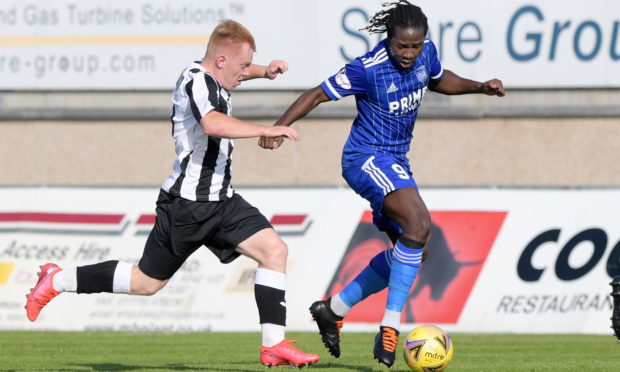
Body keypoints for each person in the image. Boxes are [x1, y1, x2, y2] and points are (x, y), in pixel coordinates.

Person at [25, 19, 320, 368]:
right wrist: (267, 128)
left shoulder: (221, 73)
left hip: (222, 201)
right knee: (146, 283)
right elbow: (212, 123)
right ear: (221, 61)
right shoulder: (195, 80)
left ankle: (273, 345)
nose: (245, 74)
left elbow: (236, 68)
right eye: (243, 67)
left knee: (274, 250)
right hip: (187, 206)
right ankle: (57, 279)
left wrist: (265, 72)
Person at [259, 1, 504, 367]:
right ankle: (390, 326)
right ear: (388, 39)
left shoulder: (426, 55)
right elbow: (316, 93)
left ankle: (333, 309)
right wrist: (278, 126)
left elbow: (439, 79)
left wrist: (479, 87)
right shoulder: (367, 69)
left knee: (413, 248)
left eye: (415, 46)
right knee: (420, 224)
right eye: (401, 46)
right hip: (366, 158)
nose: (408, 54)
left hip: (396, 161)